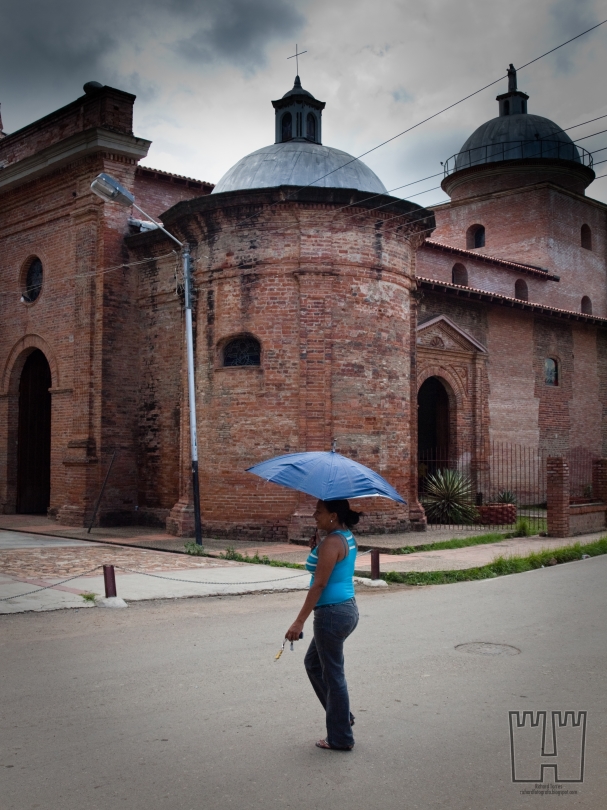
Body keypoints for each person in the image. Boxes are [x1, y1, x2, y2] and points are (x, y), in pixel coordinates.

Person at [285, 498, 361, 751]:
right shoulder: (343, 536)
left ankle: (341, 737)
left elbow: (319, 584)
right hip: (345, 610)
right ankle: (341, 716)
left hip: (331, 614)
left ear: (333, 515)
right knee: (314, 664)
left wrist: (299, 621)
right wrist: (317, 549)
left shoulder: (332, 542)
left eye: (319, 512)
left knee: (333, 674)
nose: (314, 516)